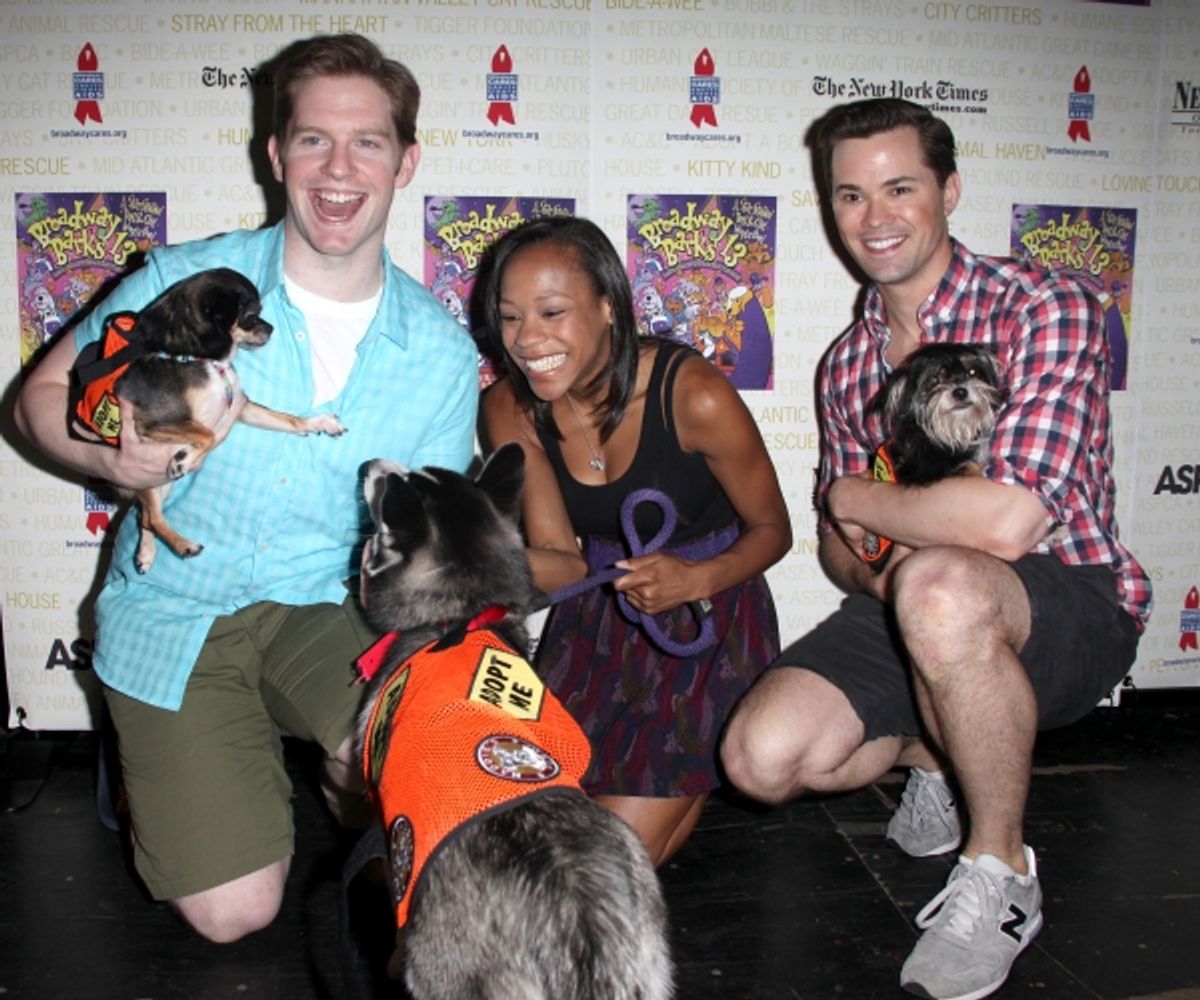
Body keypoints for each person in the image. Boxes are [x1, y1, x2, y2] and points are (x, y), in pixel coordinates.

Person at [14, 33, 478, 943]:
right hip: (175, 608)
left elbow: (425, 555)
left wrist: (408, 730)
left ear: (406, 160)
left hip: (323, 605)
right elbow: (34, 399)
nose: (338, 168)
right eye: (313, 140)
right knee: (235, 914)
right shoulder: (184, 283)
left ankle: (303, 753)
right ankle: (195, 755)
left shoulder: (441, 352)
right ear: (276, 154)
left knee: (432, 770)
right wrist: (112, 461)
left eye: (369, 143)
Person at [720, 98, 1153, 1000]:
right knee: (760, 761)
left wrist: (853, 496)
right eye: (850, 195)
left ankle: (1001, 873)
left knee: (944, 586)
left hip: (1068, 599)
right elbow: (847, 558)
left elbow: (1010, 524)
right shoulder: (847, 364)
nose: (874, 218)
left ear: (948, 191)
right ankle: (939, 757)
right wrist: (871, 554)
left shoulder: (1047, 303)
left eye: (899, 188)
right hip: (907, 598)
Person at [479, 216, 791, 866]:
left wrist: (695, 579)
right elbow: (562, 560)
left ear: (608, 308)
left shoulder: (694, 395)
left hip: (709, 618)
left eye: (552, 312)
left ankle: (686, 771)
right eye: (510, 318)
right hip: (594, 618)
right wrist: (472, 571)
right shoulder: (508, 406)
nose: (527, 340)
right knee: (529, 830)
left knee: (602, 858)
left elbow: (774, 531)